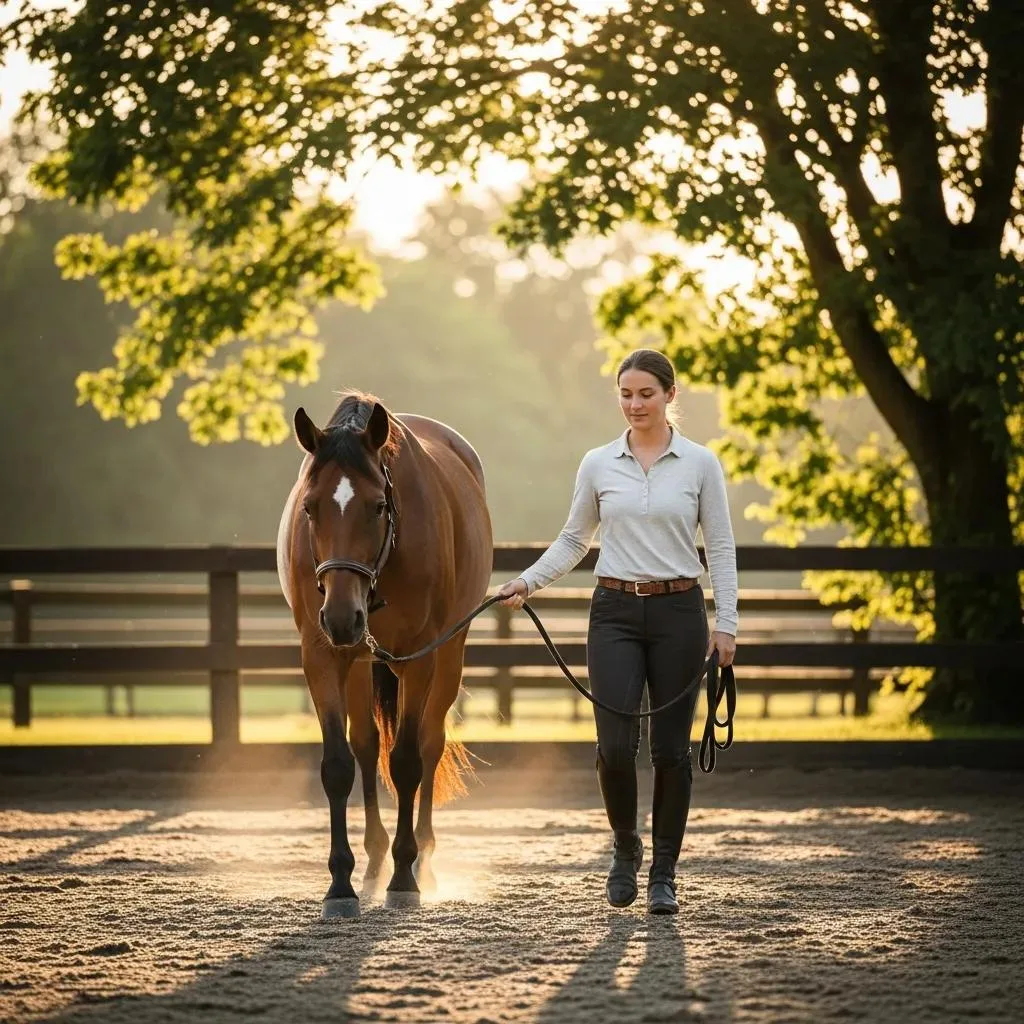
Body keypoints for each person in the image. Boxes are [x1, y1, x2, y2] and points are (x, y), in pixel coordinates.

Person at [496, 348, 738, 916]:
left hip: (680, 613)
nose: (635, 404)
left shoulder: (701, 464)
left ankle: (664, 874)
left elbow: (721, 546)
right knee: (613, 746)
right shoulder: (598, 463)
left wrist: (726, 623)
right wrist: (528, 581)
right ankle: (626, 848)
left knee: (671, 750)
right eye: (626, 394)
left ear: (670, 395)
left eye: (646, 394)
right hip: (614, 613)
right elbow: (574, 539)